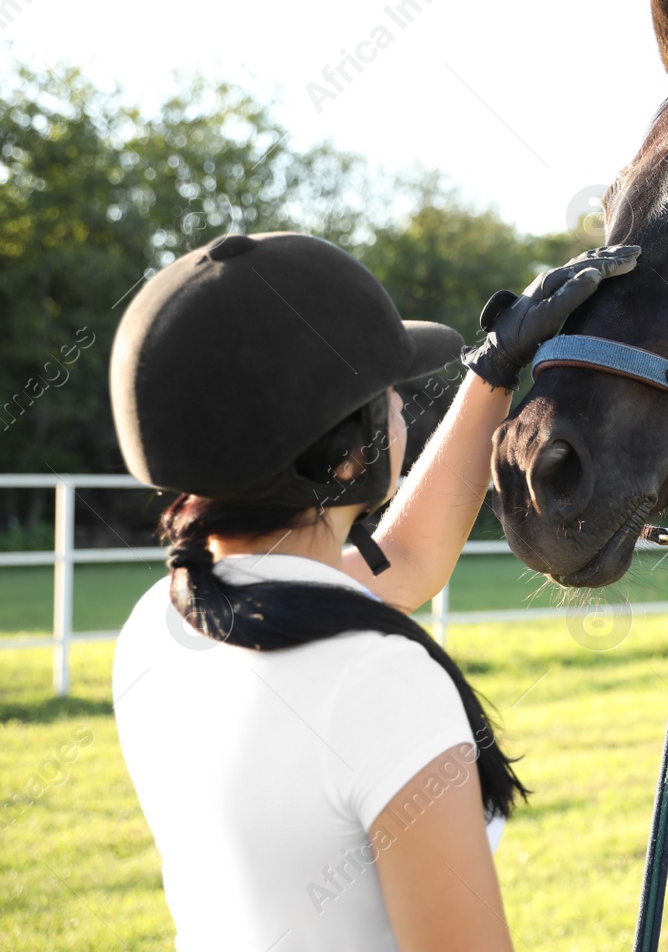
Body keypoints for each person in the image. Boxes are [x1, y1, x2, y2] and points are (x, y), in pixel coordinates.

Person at [108, 231, 637, 951]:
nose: (398, 406)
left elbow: (404, 560)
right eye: (385, 394)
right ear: (350, 449)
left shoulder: (163, 622)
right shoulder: (377, 681)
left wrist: (496, 369)